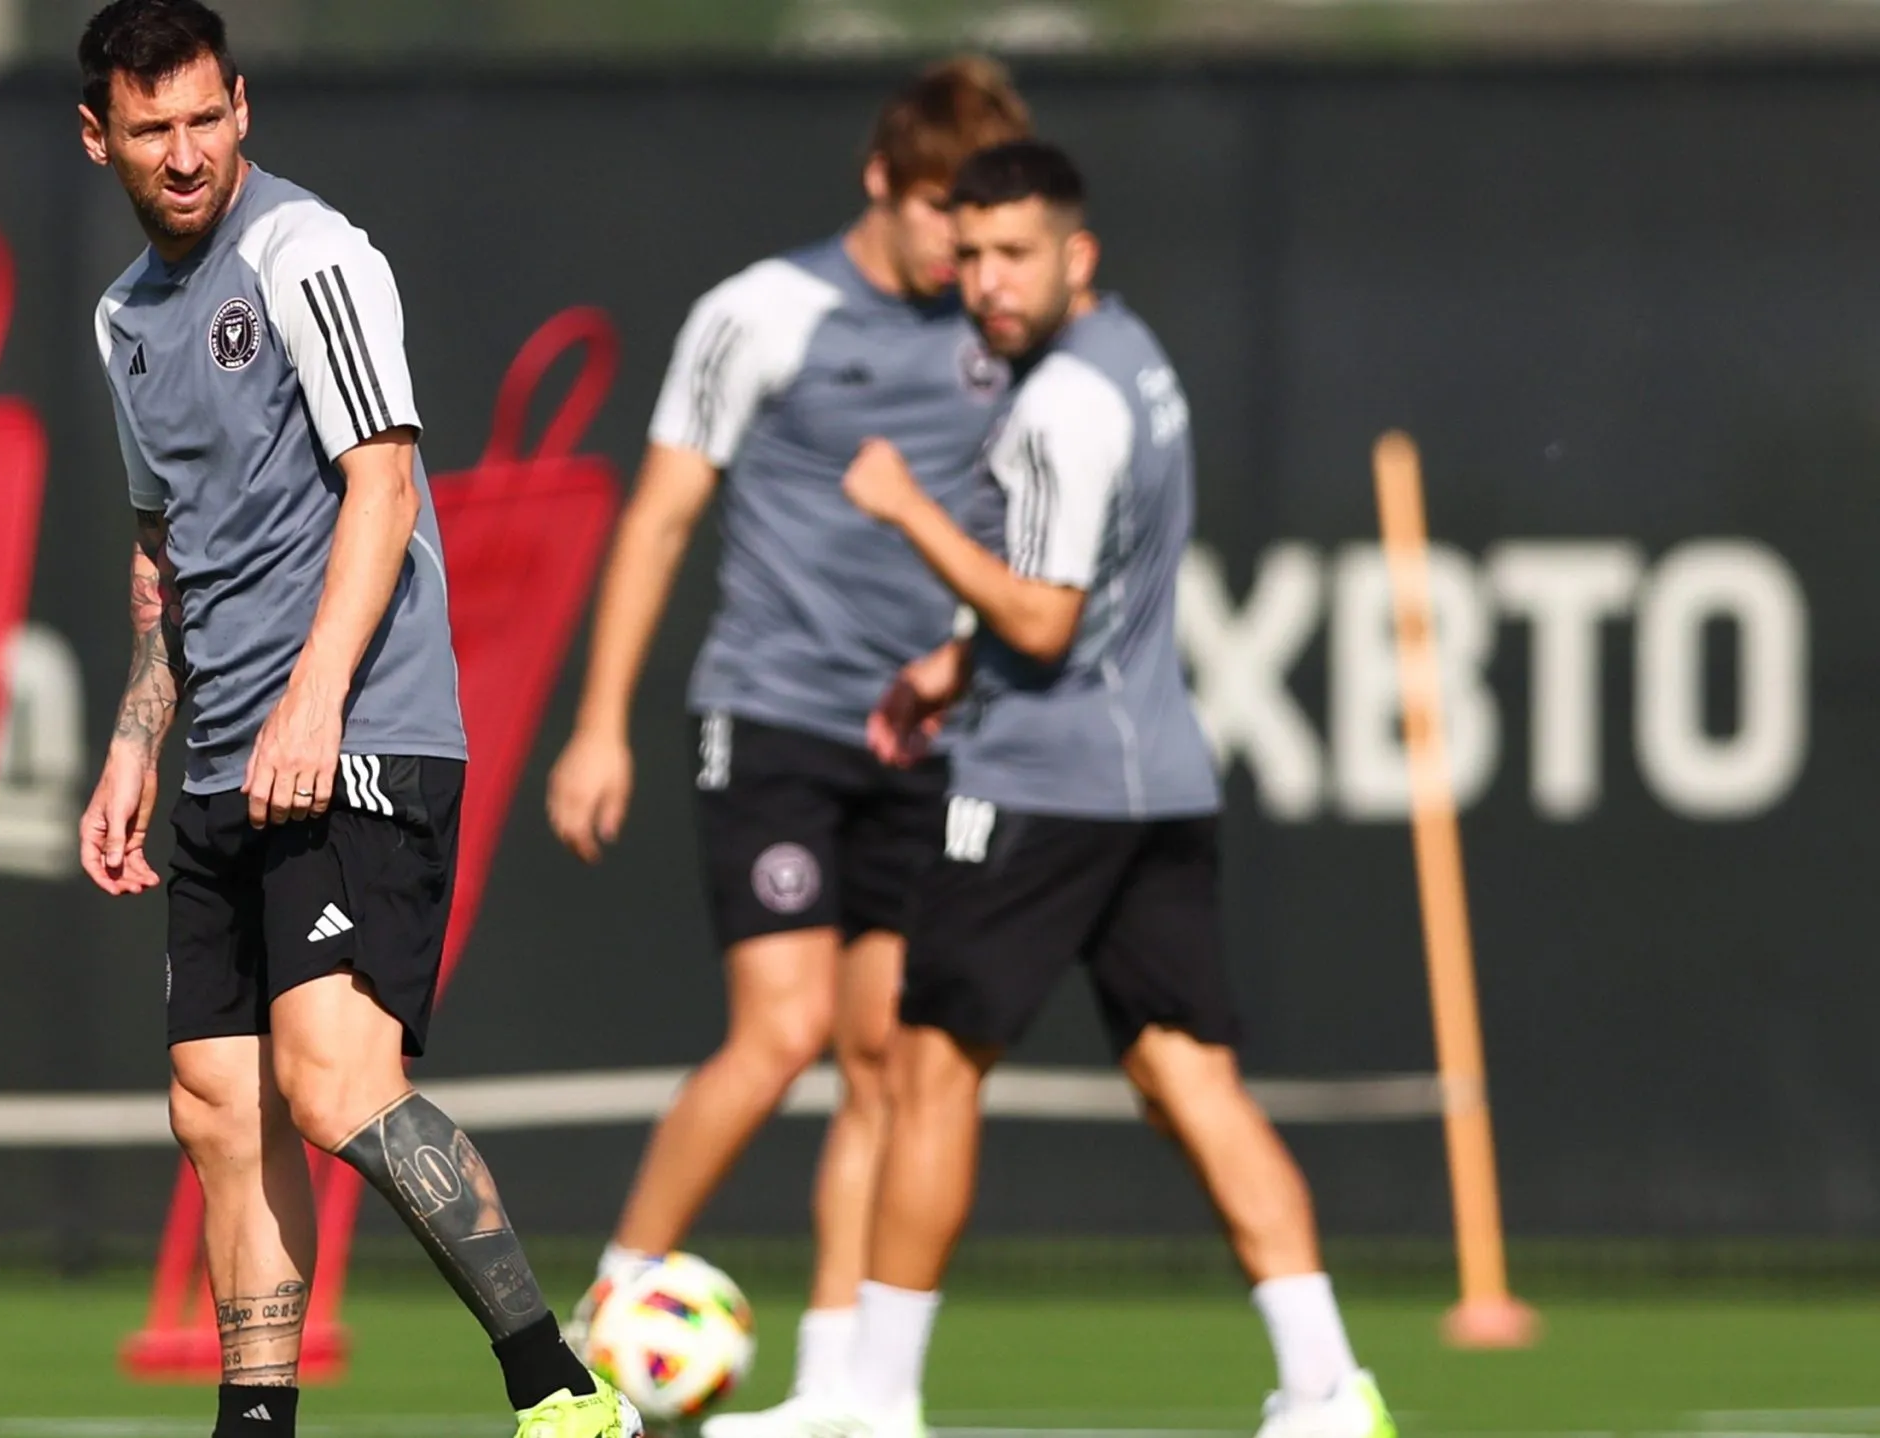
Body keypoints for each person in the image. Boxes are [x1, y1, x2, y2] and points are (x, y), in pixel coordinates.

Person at [72, 6, 636, 1438]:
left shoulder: (311, 254)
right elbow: (164, 550)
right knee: (218, 1104)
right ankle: (256, 1422)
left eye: (206, 117)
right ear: (100, 139)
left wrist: (313, 699)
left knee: (333, 1083)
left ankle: (562, 1392)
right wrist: (138, 735)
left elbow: (381, 485)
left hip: (357, 731)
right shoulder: (125, 317)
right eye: (152, 128)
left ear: (242, 108)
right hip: (218, 752)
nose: (185, 152)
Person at [833, 140, 1398, 1438]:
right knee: (1186, 1075)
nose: (987, 280)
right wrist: (945, 665)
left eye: (1014, 253)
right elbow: (1087, 597)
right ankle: (1327, 1383)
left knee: (927, 1072)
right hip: (1157, 780)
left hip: (1044, 787)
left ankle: (872, 1400)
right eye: (969, 255)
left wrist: (907, 509)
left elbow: (1044, 618)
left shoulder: (1058, 407)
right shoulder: (1135, 359)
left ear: (1076, 254)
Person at [542, 58, 1031, 1434]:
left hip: (925, 743)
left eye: (988, 218)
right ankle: (609, 1306)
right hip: (770, 718)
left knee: (886, 1061)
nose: (964, 245)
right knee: (785, 1029)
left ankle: (843, 1387)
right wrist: (597, 725)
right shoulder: (761, 313)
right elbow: (658, 519)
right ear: (883, 181)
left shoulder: (1011, 330)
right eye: (945, 210)